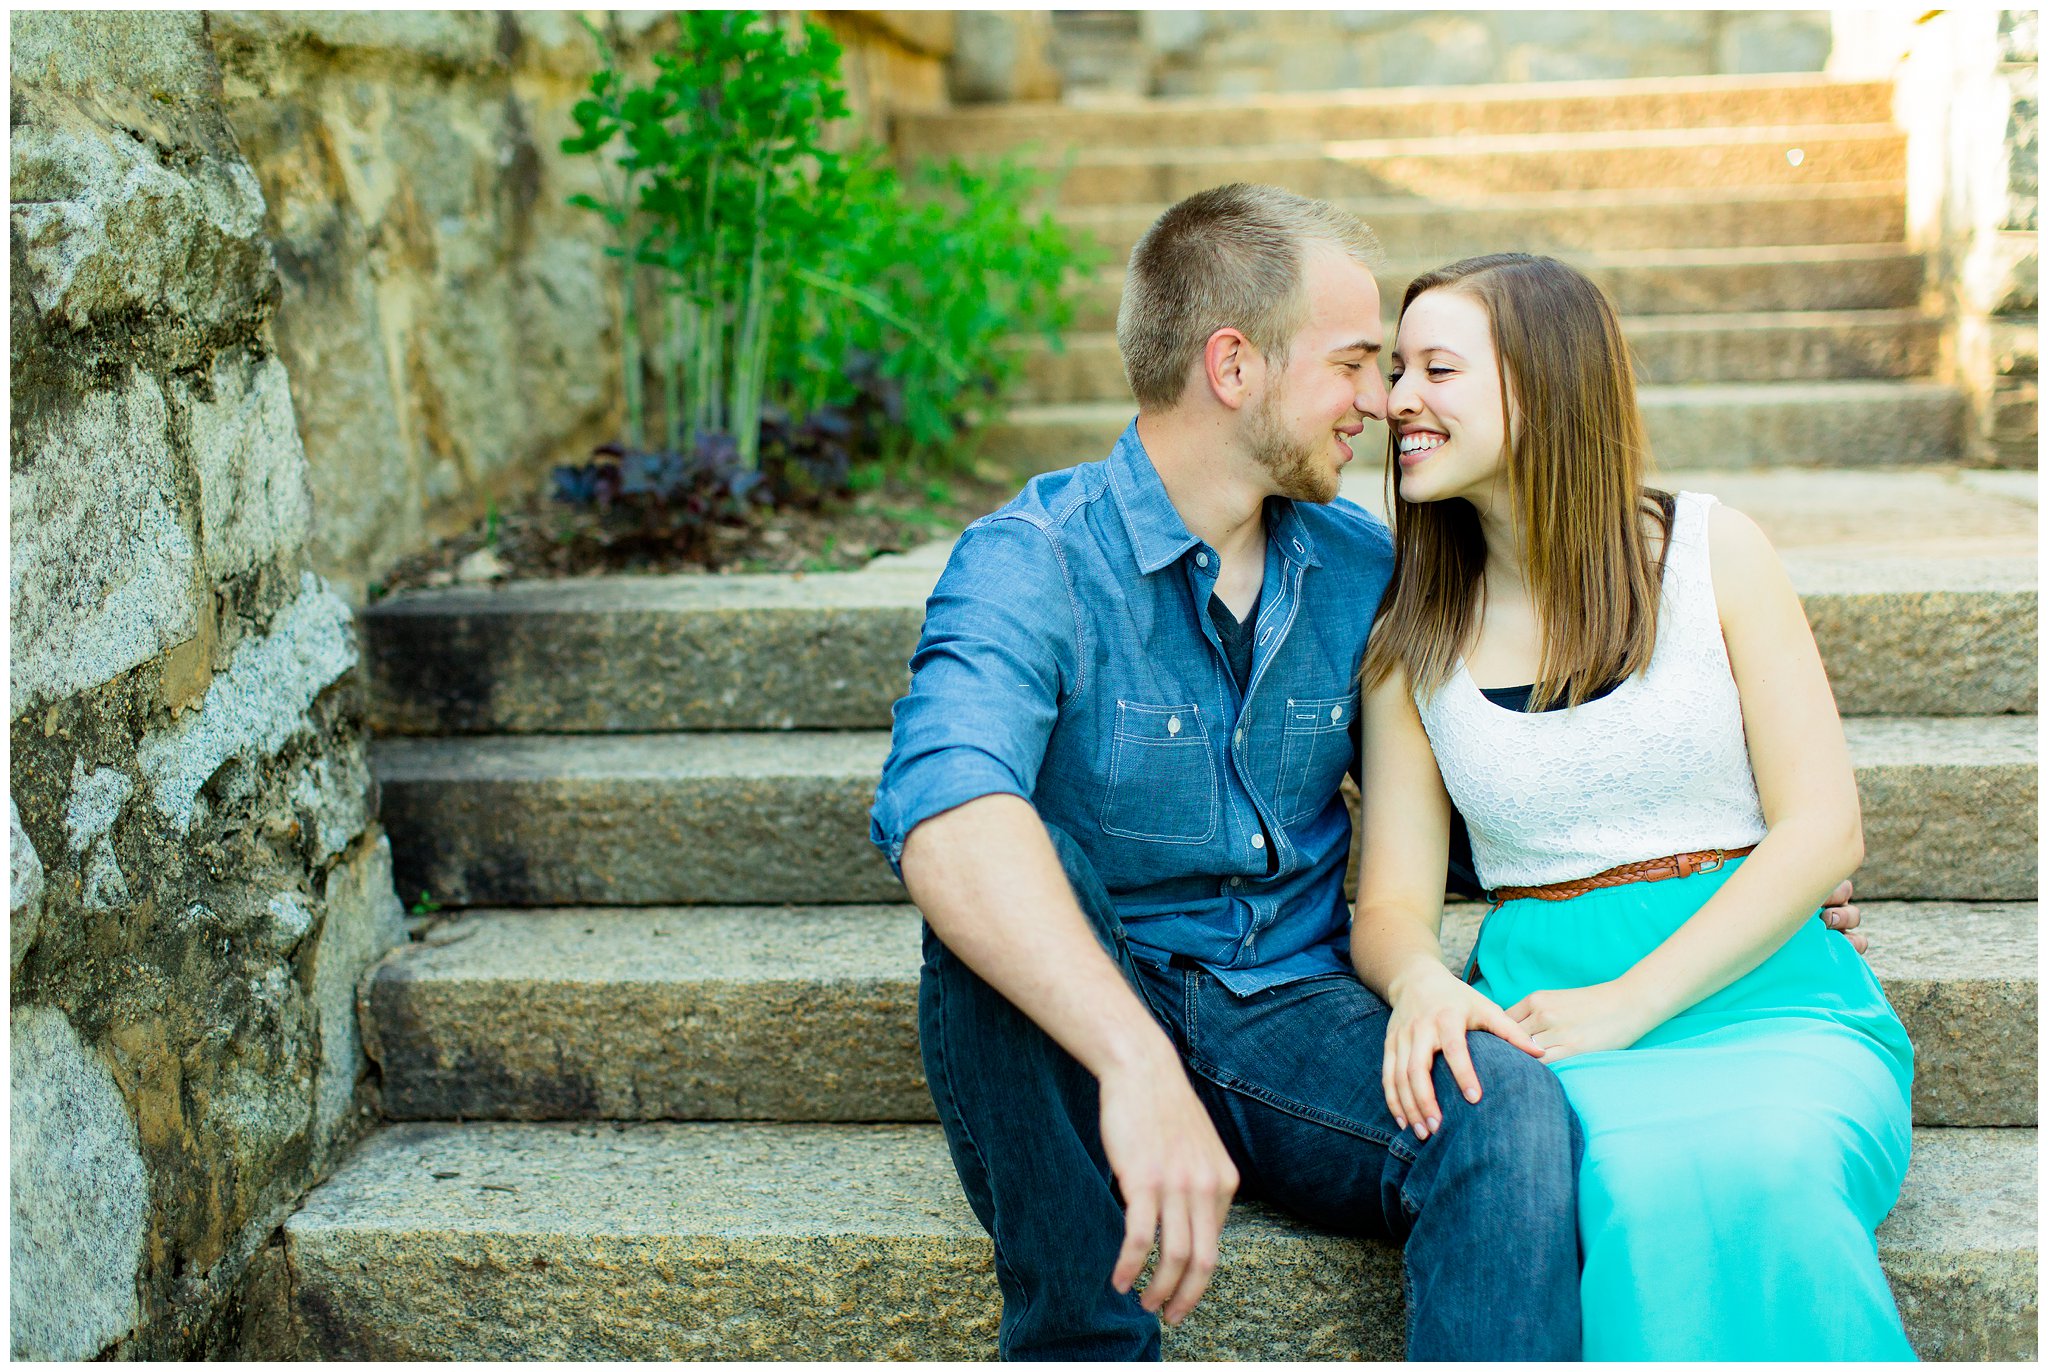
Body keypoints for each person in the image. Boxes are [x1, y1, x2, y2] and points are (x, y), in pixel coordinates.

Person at [868, 185, 1866, 1361]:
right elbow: (940, 816)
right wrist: (1131, 1060)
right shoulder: (1030, 563)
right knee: (1013, 870)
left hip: (1287, 1012)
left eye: (1398, 368)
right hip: (1073, 1030)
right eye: (1354, 364)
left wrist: (1728, 869)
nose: (1378, 403)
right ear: (1232, 367)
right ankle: (1081, 1338)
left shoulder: (1366, 572)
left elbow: (1484, 786)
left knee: (1505, 1116)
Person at [1352, 252, 1916, 1360]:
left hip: (1772, 996)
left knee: (1763, 1166)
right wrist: (1419, 981)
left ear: (1543, 382)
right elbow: (1389, 906)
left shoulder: (1713, 553)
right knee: (1633, 1182)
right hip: (1548, 1023)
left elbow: (1821, 828)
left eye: (1435, 369)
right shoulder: (1409, 642)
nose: (1395, 400)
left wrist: (1629, 1000)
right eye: (1391, 368)